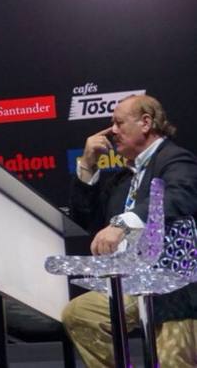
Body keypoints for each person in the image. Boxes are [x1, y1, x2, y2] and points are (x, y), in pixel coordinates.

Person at [62, 94, 197, 368]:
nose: (112, 131)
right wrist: (87, 166)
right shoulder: (123, 178)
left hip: (175, 287)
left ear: (146, 123)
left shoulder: (174, 159)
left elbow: (179, 196)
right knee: (81, 313)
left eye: (118, 122)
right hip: (129, 284)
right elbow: (84, 220)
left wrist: (123, 223)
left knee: (172, 363)